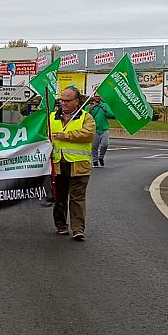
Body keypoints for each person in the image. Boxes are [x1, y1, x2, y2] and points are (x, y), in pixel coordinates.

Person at [50, 86, 95, 241]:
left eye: (68, 100)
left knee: (77, 198)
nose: (64, 103)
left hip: (79, 166)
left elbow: (88, 134)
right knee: (59, 198)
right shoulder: (51, 117)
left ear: (77, 101)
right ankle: (61, 225)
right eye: (62, 100)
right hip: (57, 166)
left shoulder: (86, 117)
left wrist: (67, 136)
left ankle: (78, 229)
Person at [88, 94, 113, 168]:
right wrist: (90, 110)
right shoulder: (90, 106)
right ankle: (95, 160)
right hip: (94, 129)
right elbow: (85, 115)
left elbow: (111, 115)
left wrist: (106, 110)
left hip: (104, 128)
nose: (97, 98)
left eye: (98, 96)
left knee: (105, 144)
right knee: (94, 146)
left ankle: (101, 157)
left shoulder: (105, 105)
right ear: (94, 97)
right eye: (96, 96)